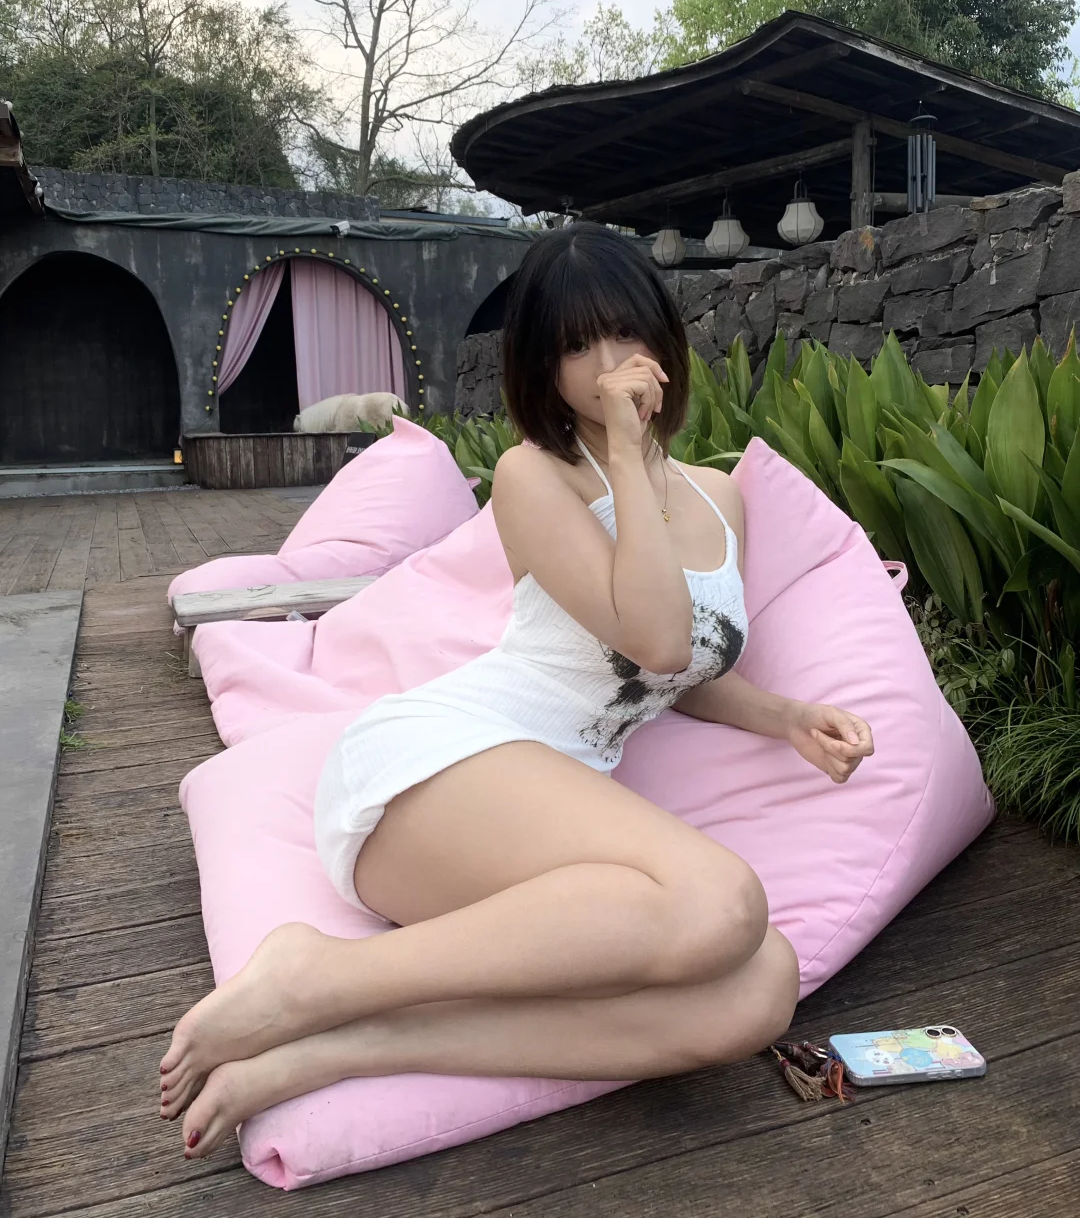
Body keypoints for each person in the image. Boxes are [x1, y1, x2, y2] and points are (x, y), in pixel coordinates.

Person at [159, 223, 874, 1158]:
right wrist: (627, 453)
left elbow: (678, 673)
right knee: (726, 904)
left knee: (761, 986)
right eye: (576, 346)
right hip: (444, 762)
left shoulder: (719, 495)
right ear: (544, 367)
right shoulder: (533, 475)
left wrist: (789, 718)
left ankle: (340, 1049)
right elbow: (656, 638)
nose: (608, 366)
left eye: (624, 332)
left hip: (539, 804)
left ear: (663, 336)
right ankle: (315, 975)